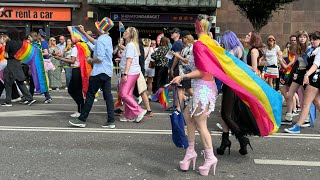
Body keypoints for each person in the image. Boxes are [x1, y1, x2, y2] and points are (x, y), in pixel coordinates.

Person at [171, 14, 218, 176]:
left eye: (195, 24)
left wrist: (182, 76)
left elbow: (202, 71)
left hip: (203, 87)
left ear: (198, 27)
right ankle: (190, 151)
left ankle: (210, 157)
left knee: (200, 121)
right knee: (188, 116)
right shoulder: (209, 43)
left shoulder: (200, 45)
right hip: (202, 86)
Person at [69, 17, 115, 128]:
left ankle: (82, 120)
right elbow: (94, 42)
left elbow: (100, 58)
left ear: (100, 29)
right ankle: (111, 121)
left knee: (89, 96)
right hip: (107, 72)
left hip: (99, 72)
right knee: (108, 97)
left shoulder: (101, 40)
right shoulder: (107, 39)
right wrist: (84, 32)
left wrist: (90, 60)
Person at [216, 30, 258, 156]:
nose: (223, 44)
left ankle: (242, 139)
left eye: (224, 42)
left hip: (233, 86)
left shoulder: (236, 49)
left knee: (226, 114)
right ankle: (225, 141)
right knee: (227, 114)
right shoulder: (238, 49)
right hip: (231, 85)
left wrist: (218, 49)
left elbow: (225, 58)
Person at [285, 31, 320, 133]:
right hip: (312, 77)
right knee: (317, 102)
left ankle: (297, 126)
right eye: (312, 39)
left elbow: (316, 64)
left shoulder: (318, 51)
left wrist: (306, 74)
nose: (313, 41)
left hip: (314, 78)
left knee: (306, 103)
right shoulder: (312, 49)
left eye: (315, 39)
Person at [282, 30, 312, 126]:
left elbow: (311, 63)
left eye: (304, 37)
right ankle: (289, 117)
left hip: (307, 74)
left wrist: (307, 75)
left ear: (307, 38)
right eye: (300, 37)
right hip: (298, 74)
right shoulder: (298, 48)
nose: (302, 38)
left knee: (305, 97)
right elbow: (296, 62)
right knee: (290, 94)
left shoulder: (310, 48)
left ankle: (306, 119)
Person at [118, 27, 147, 122]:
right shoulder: (132, 45)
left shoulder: (130, 45)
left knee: (123, 93)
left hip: (130, 72)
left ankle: (139, 110)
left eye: (126, 31)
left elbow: (129, 60)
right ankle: (129, 115)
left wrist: (125, 73)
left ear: (130, 34)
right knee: (128, 94)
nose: (124, 32)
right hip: (134, 72)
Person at [1, 29, 36, 106]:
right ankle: (30, 98)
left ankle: (8, 101)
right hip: (18, 63)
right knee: (20, 82)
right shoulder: (21, 43)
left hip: (10, 63)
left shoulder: (9, 43)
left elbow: (5, 55)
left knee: (8, 83)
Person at [55, 40, 85, 118]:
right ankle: (81, 108)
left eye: (70, 40)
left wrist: (60, 59)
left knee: (73, 90)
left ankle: (81, 108)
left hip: (76, 70)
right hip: (78, 70)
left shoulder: (75, 48)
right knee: (76, 91)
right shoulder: (80, 47)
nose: (69, 42)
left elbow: (72, 60)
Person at [172, 30, 194, 111]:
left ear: (186, 38)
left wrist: (177, 55)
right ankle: (178, 107)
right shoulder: (187, 47)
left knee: (185, 89)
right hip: (184, 71)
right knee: (181, 89)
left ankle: (178, 107)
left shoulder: (190, 48)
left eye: (183, 38)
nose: (182, 40)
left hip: (185, 71)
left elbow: (186, 60)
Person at [38, 29, 53, 103]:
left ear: (40, 36)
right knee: (43, 79)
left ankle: (48, 96)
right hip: (45, 62)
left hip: (44, 62)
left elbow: (46, 53)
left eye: (38, 34)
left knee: (44, 79)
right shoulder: (43, 42)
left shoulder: (43, 43)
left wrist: (38, 53)